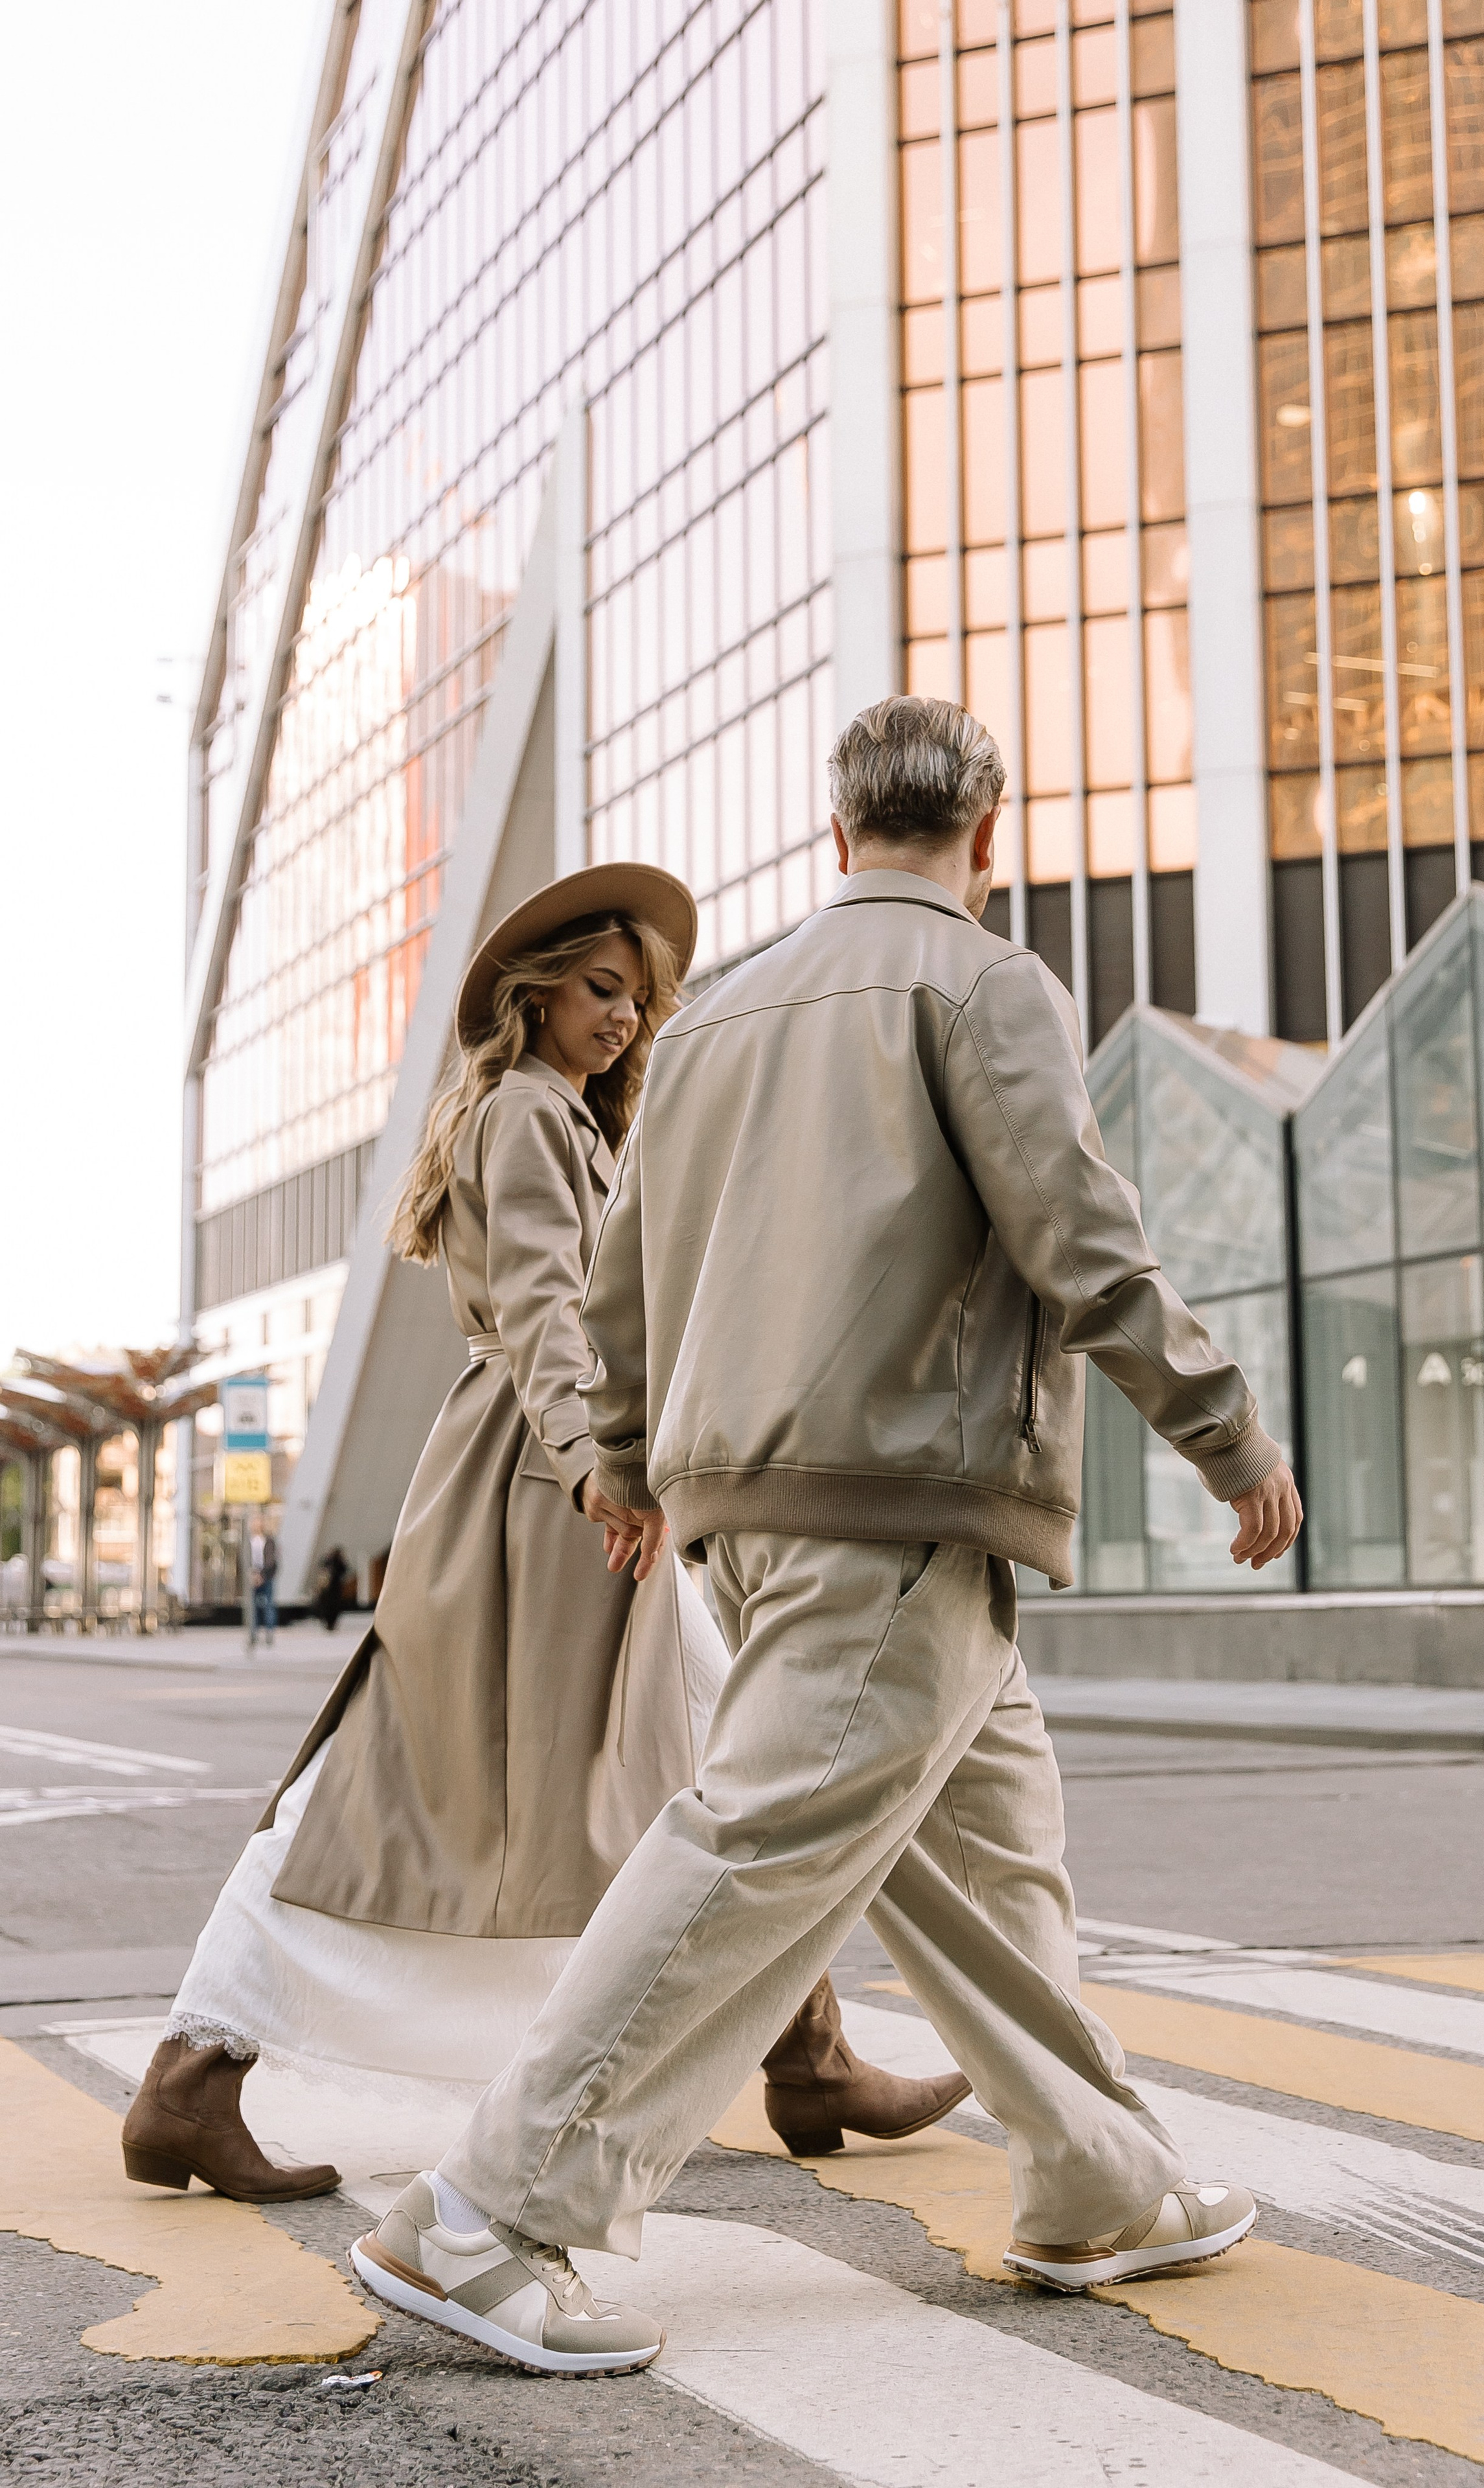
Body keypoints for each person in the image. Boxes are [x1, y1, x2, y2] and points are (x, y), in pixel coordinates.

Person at [349, 698, 1303, 2379]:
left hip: (757, 1510)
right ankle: (493, 2211)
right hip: (897, 1504)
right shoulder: (983, 985)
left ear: (834, 832)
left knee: (990, 1855)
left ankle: (1096, 2178)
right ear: (988, 838)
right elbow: (1080, 1238)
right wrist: (1225, 1433)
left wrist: (624, 1462)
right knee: (755, 1850)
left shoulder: (715, 1016)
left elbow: (626, 1272)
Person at [120, 864, 959, 2215]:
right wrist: (595, 1468)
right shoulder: (523, 1111)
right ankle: (189, 2080)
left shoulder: (560, 1116)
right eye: (599, 990)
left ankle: (809, 2057)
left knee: (723, 1757)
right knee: (392, 1794)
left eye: (637, 998)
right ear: (536, 992)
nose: (622, 1017)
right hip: (537, 1490)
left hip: (557, 1479)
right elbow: (542, 1310)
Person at [312, 1545, 350, 1633]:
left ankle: (330, 1623)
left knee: (330, 1607)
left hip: (331, 1589)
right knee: (332, 1607)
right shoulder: (333, 1562)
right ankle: (330, 1623)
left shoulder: (332, 1562)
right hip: (332, 1589)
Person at [251, 1529, 279, 1646]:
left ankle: (269, 1632)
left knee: (269, 1605)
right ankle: (253, 1633)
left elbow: (271, 1560)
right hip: (252, 1577)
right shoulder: (249, 1541)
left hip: (267, 1577)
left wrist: (262, 1575)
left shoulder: (269, 1540)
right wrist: (252, 1575)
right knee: (253, 1607)